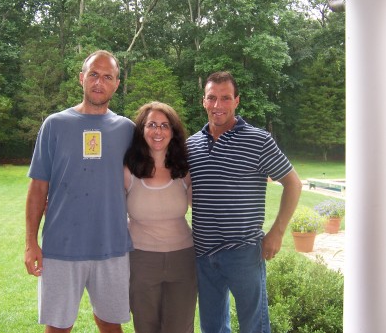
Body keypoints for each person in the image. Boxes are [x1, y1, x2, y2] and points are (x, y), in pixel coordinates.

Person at [24, 50, 135, 333]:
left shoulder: (127, 130)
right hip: (62, 247)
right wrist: (31, 242)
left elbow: (149, 179)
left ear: (117, 84)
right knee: (58, 327)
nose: (99, 82)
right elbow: (38, 188)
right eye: (94, 74)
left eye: (107, 76)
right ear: (81, 78)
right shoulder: (55, 125)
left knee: (111, 324)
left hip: (112, 247)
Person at [186, 71, 302, 333]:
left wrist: (277, 233)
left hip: (245, 253)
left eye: (225, 98)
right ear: (203, 101)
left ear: (236, 101)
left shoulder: (258, 140)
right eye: (212, 98)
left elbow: (293, 183)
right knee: (212, 328)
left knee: (254, 327)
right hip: (204, 254)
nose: (218, 105)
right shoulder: (191, 145)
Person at [123, 102, 197, 333]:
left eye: (165, 125)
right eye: (152, 125)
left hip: (183, 258)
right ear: (142, 130)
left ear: (173, 132)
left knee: (180, 328)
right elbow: (105, 206)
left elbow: (207, 205)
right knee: (145, 327)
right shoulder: (127, 170)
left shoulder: (185, 169)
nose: (158, 131)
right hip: (141, 260)